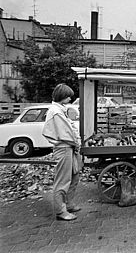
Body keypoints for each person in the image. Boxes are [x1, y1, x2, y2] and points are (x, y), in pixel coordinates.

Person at [42, 84, 82, 221]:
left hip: (69, 147)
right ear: (61, 96)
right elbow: (65, 133)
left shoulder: (61, 109)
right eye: (68, 96)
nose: (71, 98)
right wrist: (77, 144)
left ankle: (69, 203)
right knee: (63, 180)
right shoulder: (56, 112)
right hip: (64, 147)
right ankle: (61, 211)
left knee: (74, 176)